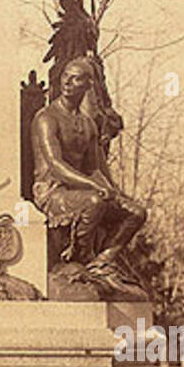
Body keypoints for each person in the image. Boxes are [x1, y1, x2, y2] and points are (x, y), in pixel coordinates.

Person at [31, 56, 146, 297]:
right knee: (94, 201)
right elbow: (55, 164)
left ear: (88, 84)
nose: (68, 83)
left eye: (76, 79)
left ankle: (101, 263)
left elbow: (95, 168)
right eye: (65, 77)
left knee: (135, 212)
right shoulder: (46, 118)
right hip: (52, 191)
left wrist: (112, 192)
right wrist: (93, 186)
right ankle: (81, 259)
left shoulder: (87, 124)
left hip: (79, 190)